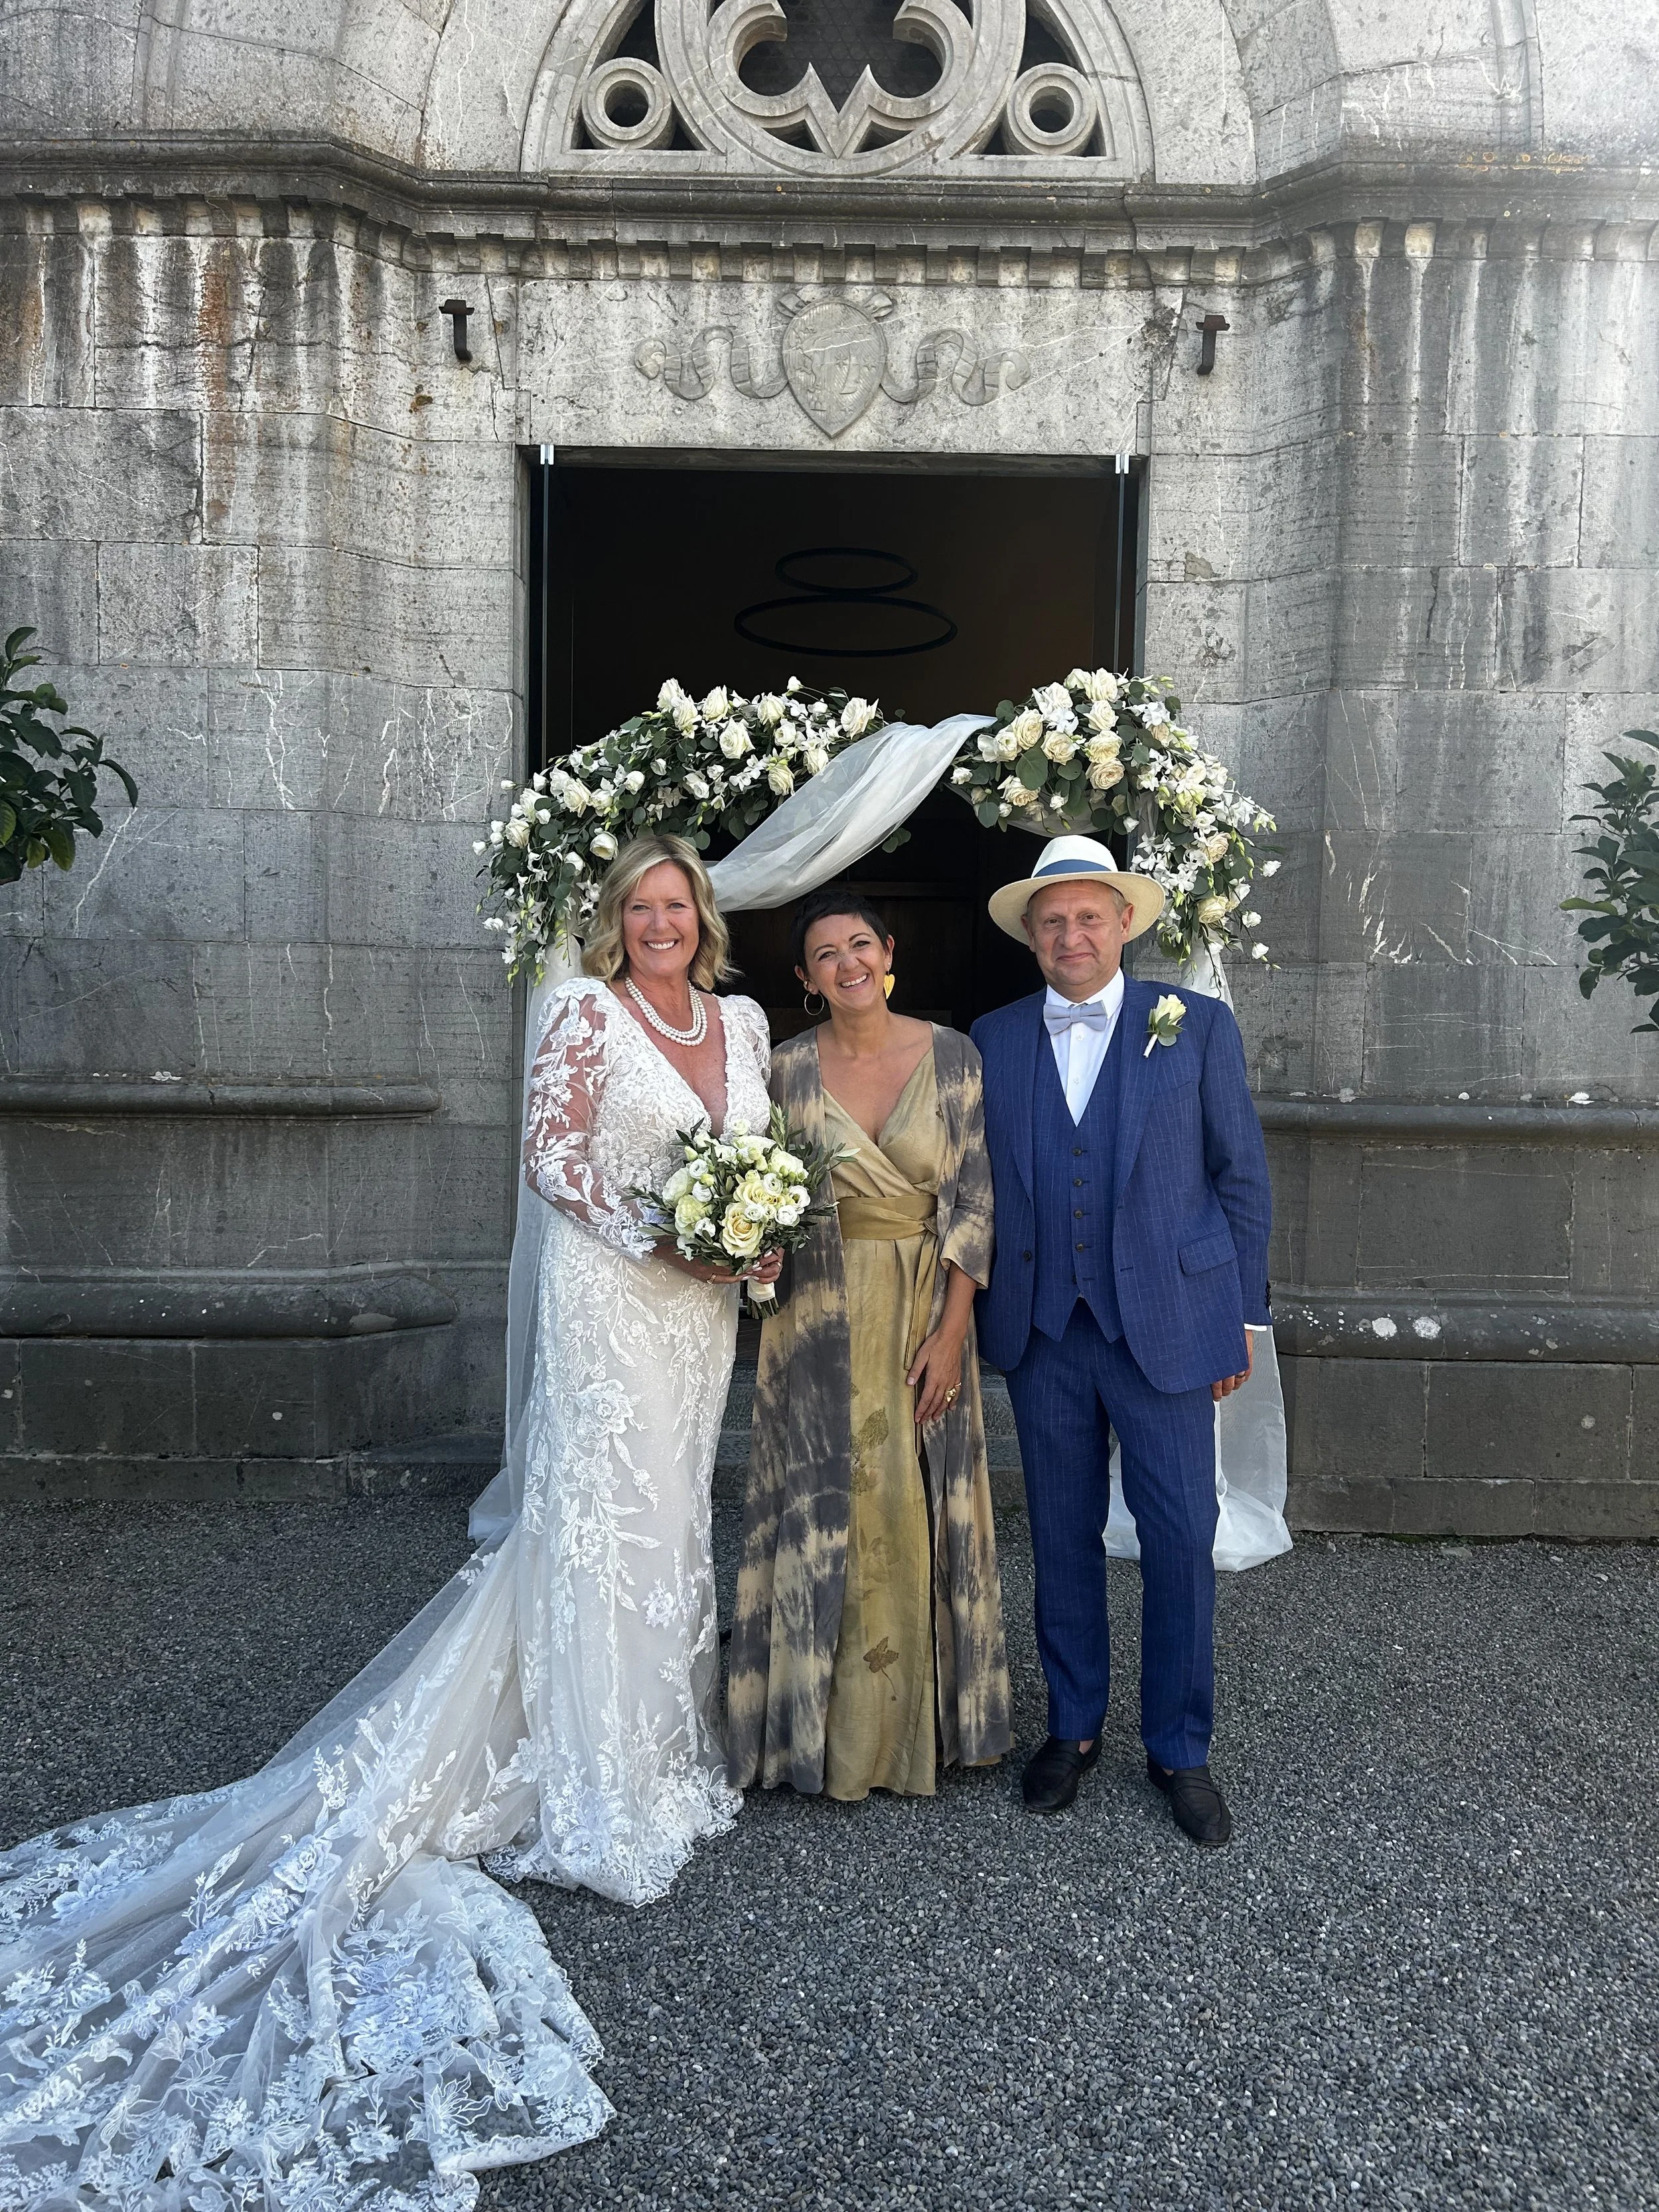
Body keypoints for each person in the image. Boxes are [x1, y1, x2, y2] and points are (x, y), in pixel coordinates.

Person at [0, 833, 777, 2207]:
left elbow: (755, 1157)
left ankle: (655, 1740)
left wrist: (749, 1237)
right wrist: (665, 1228)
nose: (659, 922)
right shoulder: (580, 1012)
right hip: (611, 1301)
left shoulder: (746, 1020)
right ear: (616, 923)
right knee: (593, 1518)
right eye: (640, 906)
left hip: (700, 1316)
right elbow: (549, 1161)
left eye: (678, 905)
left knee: (668, 1524)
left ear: (702, 920)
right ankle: (585, 1776)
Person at [971, 834, 1271, 1846]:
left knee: (1181, 1536)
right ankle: (1074, 1726)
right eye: (1052, 920)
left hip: (1173, 1328)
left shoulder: (1196, 1028)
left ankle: (1181, 1750)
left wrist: (1240, 1318)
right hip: (1045, 1328)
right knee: (1059, 1536)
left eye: (1089, 916)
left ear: (1125, 924)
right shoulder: (993, 1038)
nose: (1071, 934)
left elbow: (1241, 1181)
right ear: (1031, 936)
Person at [727, 886, 1012, 1801]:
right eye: (826, 954)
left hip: (927, 1304)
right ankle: (810, 1730)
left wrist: (954, 1329)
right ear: (804, 978)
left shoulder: (955, 1056)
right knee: (820, 1502)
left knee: (915, 1497)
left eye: (861, 945)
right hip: (816, 1311)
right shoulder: (781, 1072)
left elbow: (975, 1198)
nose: (848, 963)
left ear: (889, 953)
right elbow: (754, 1189)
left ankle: (921, 1727)